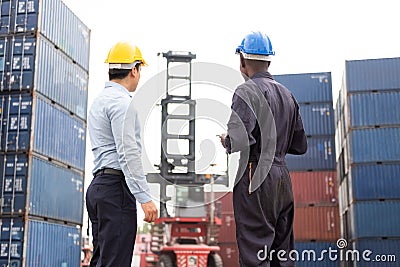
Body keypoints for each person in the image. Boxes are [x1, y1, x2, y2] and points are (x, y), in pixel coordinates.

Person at [220, 31, 307, 266]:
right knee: (283, 255)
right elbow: (299, 146)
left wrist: (226, 140)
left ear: (242, 60)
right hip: (282, 179)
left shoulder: (246, 91)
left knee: (254, 252)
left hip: (255, 174)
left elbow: (238, 139)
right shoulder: (288, 96)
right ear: (269, 60)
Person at [86, 41, 158, 267]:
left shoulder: (99, 102)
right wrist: (144, 198)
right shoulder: (123, 104)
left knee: (101, 261)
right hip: (116, 191)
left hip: (97, 188)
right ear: (134, 69)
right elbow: (128, 154)